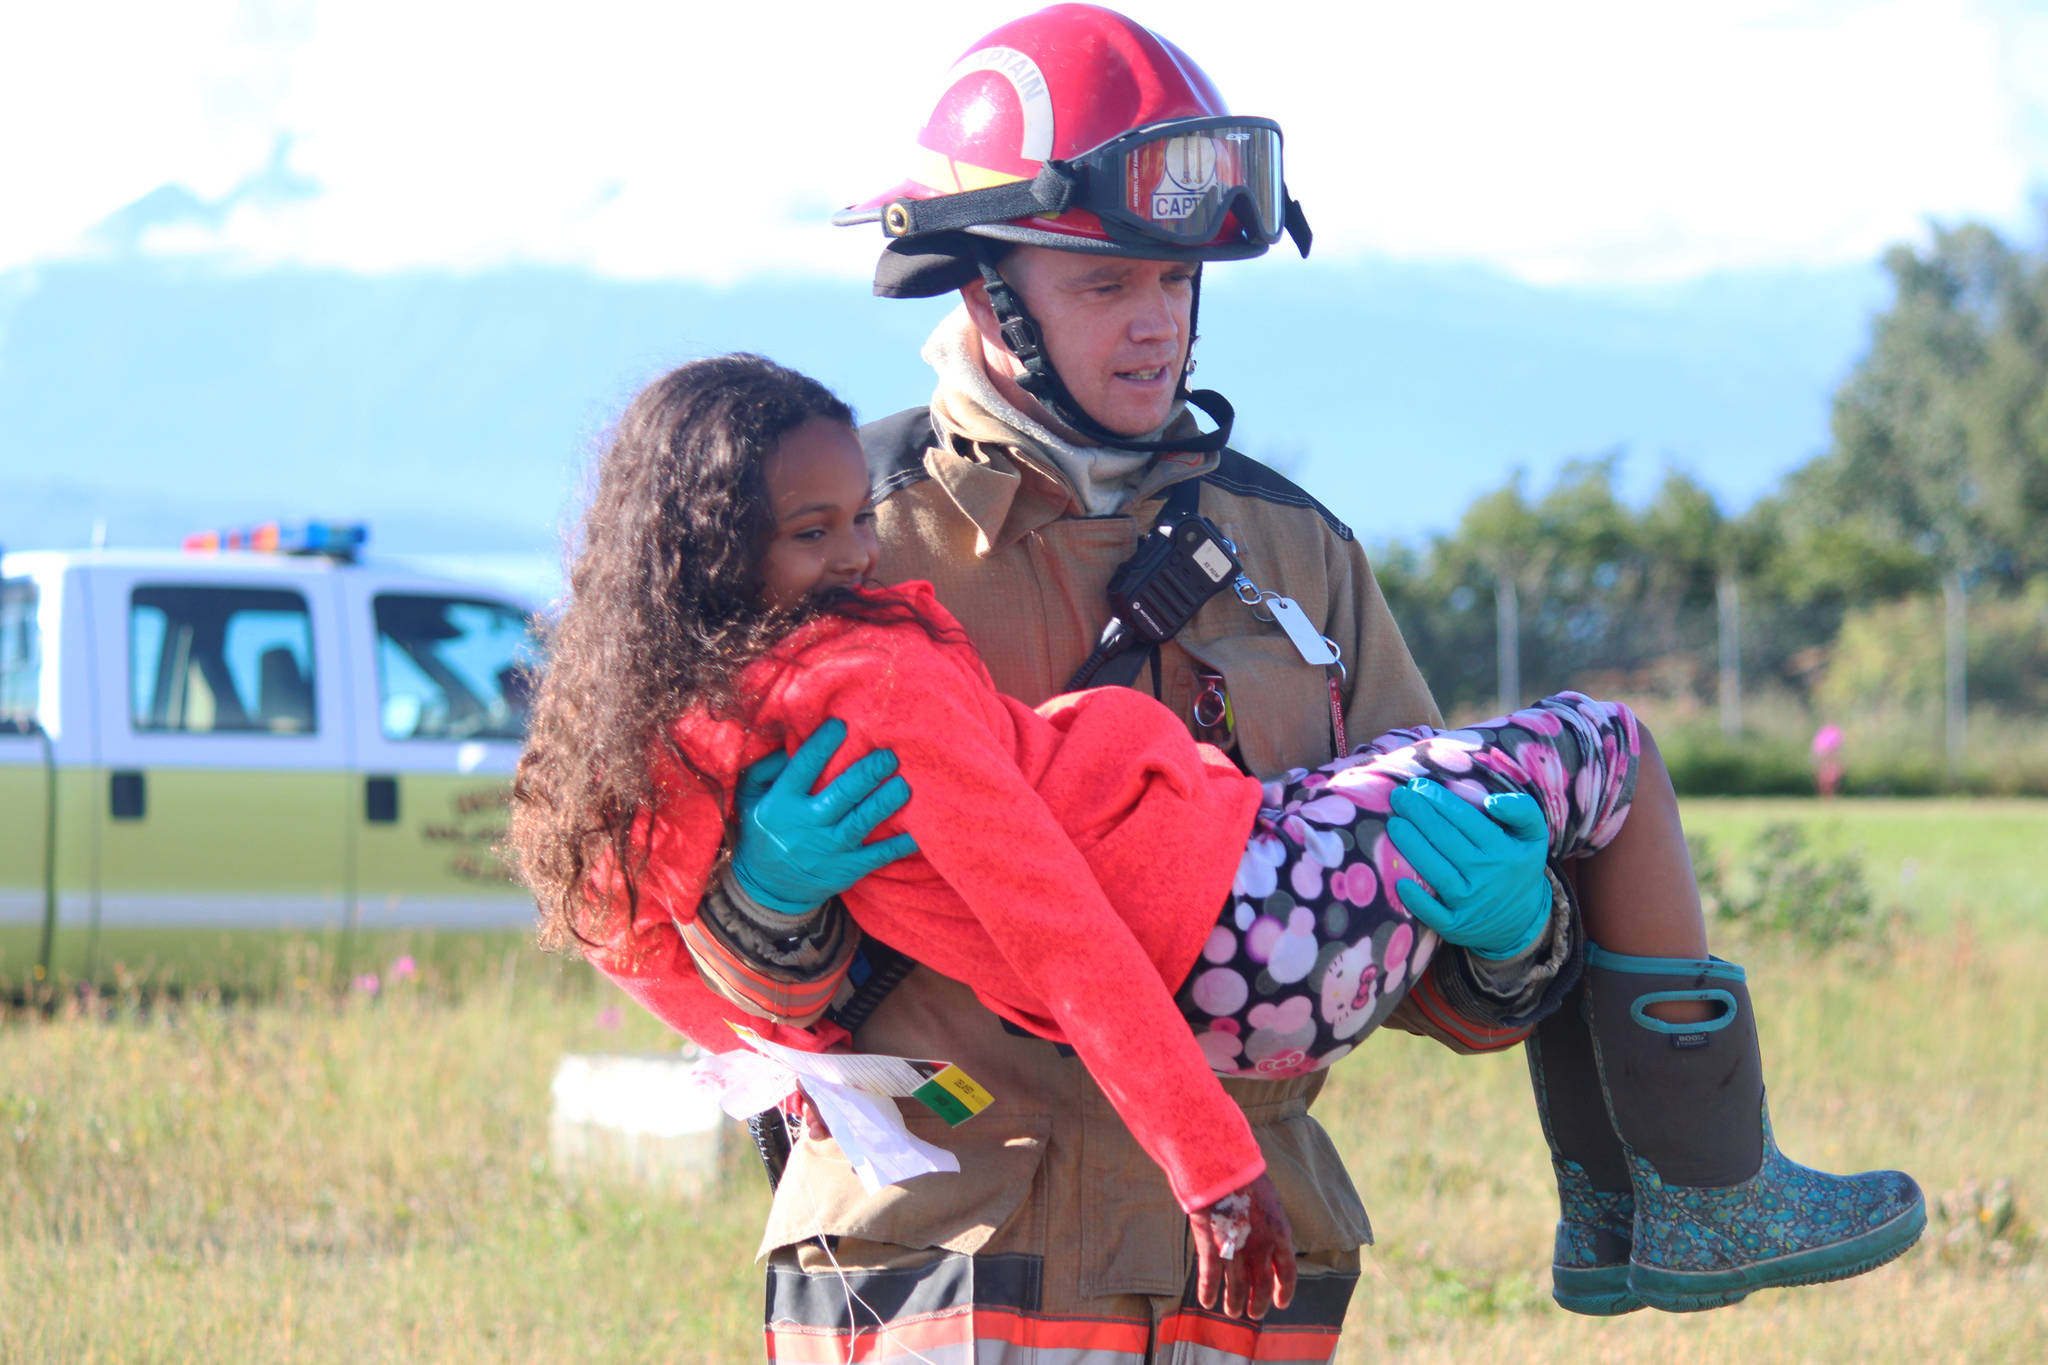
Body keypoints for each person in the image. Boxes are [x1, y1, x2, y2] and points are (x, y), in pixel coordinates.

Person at [510, 353, 1924, 1336]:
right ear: (989, 285)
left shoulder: (1291, 545)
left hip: (1239, 1261)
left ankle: (1652, 1202)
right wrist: (763, 919)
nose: (1150, 317)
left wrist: (1516, 932)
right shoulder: (863, 518)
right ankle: (1704, 1192)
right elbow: (694, 933)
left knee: (1552, 794)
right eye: (1100, 273)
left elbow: (1441, 956)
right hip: (950, 1254)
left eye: (1176, 278)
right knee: (1607, 745)